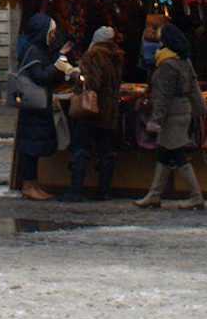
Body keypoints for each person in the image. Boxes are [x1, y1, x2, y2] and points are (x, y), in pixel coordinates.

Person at [135, 22, 206, 210]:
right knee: (164, 154)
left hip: (171, 115)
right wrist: (200, 110)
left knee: (177, 154)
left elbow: (163, 97)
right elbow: (194, 88)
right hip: (184, 112)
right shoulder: (184, 61)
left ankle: (196, 196)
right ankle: (154, 195)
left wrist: (155, 120)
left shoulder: (166, 65)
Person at [13, 12, 76, 201]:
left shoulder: (39, 49)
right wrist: (57, 65)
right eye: (51, 32)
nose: (53, 35)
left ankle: (32, 184)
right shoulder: (34, 51)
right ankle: (28, 185)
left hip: (37, 106)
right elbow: (40, 76)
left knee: (33, 147)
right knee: (30, 148)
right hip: (34, 106)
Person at [65, 26, 122, 201]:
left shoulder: (93, 56)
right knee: (106, 151)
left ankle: (76, 191)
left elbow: (91, 83)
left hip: (91, 110)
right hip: (109, 110)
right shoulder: (116, 56)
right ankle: (104, 191)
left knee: (81, 148)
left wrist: (76, 76)